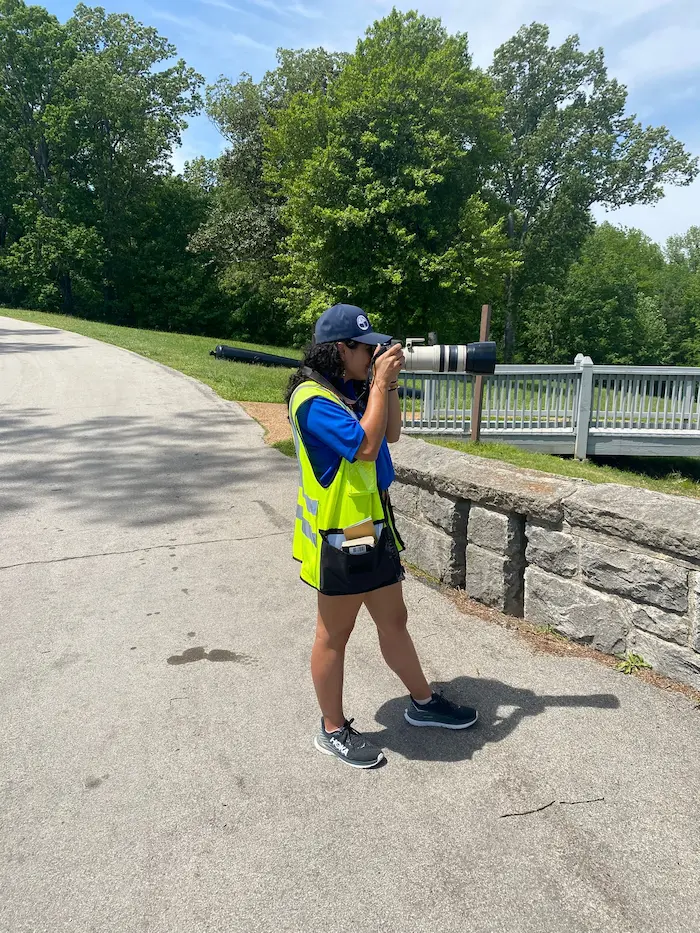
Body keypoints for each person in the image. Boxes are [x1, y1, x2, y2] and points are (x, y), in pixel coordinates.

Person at [286, 303, 478, 769]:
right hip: (340, 536)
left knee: (394, 620)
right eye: (365, 347)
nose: (373, 353)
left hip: (372, 529)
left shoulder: (347, 388)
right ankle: (332, 729)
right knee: (335, 633)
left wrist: (385, 385)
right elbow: (366, 446)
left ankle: (423, 702)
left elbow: (390, 433)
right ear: (339, 349)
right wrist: (376, 383)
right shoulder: (312, 400)